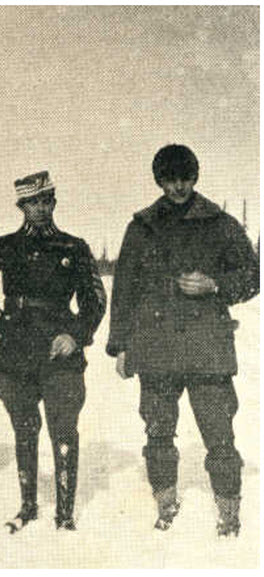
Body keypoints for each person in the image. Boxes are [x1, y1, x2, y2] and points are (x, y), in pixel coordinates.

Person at [106, 144, 259, 536]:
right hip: (155, 348)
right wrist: (120, 345)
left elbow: (253, 277)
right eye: (170, 179)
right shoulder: (141, 226)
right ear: (159, 180)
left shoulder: (220, 223)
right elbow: (123, 288)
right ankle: (165, 503)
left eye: (186, 178)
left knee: (219, 435)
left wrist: (215, 284)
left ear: (196, 176)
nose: (179, 187)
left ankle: (229, 512)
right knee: (157, 432)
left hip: (207, 348)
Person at [0, 171, 106, 532]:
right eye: (33, 203)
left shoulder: (74, 248)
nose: (41, 208)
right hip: (15, 354)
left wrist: (76, 335)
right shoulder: (5, 246)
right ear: (21, 207)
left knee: (63, 429)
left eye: (46, 201)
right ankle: (27, 507)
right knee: (24, 428)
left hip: (60, 355)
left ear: (54, 202)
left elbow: (95, 301)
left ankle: (65, 515)